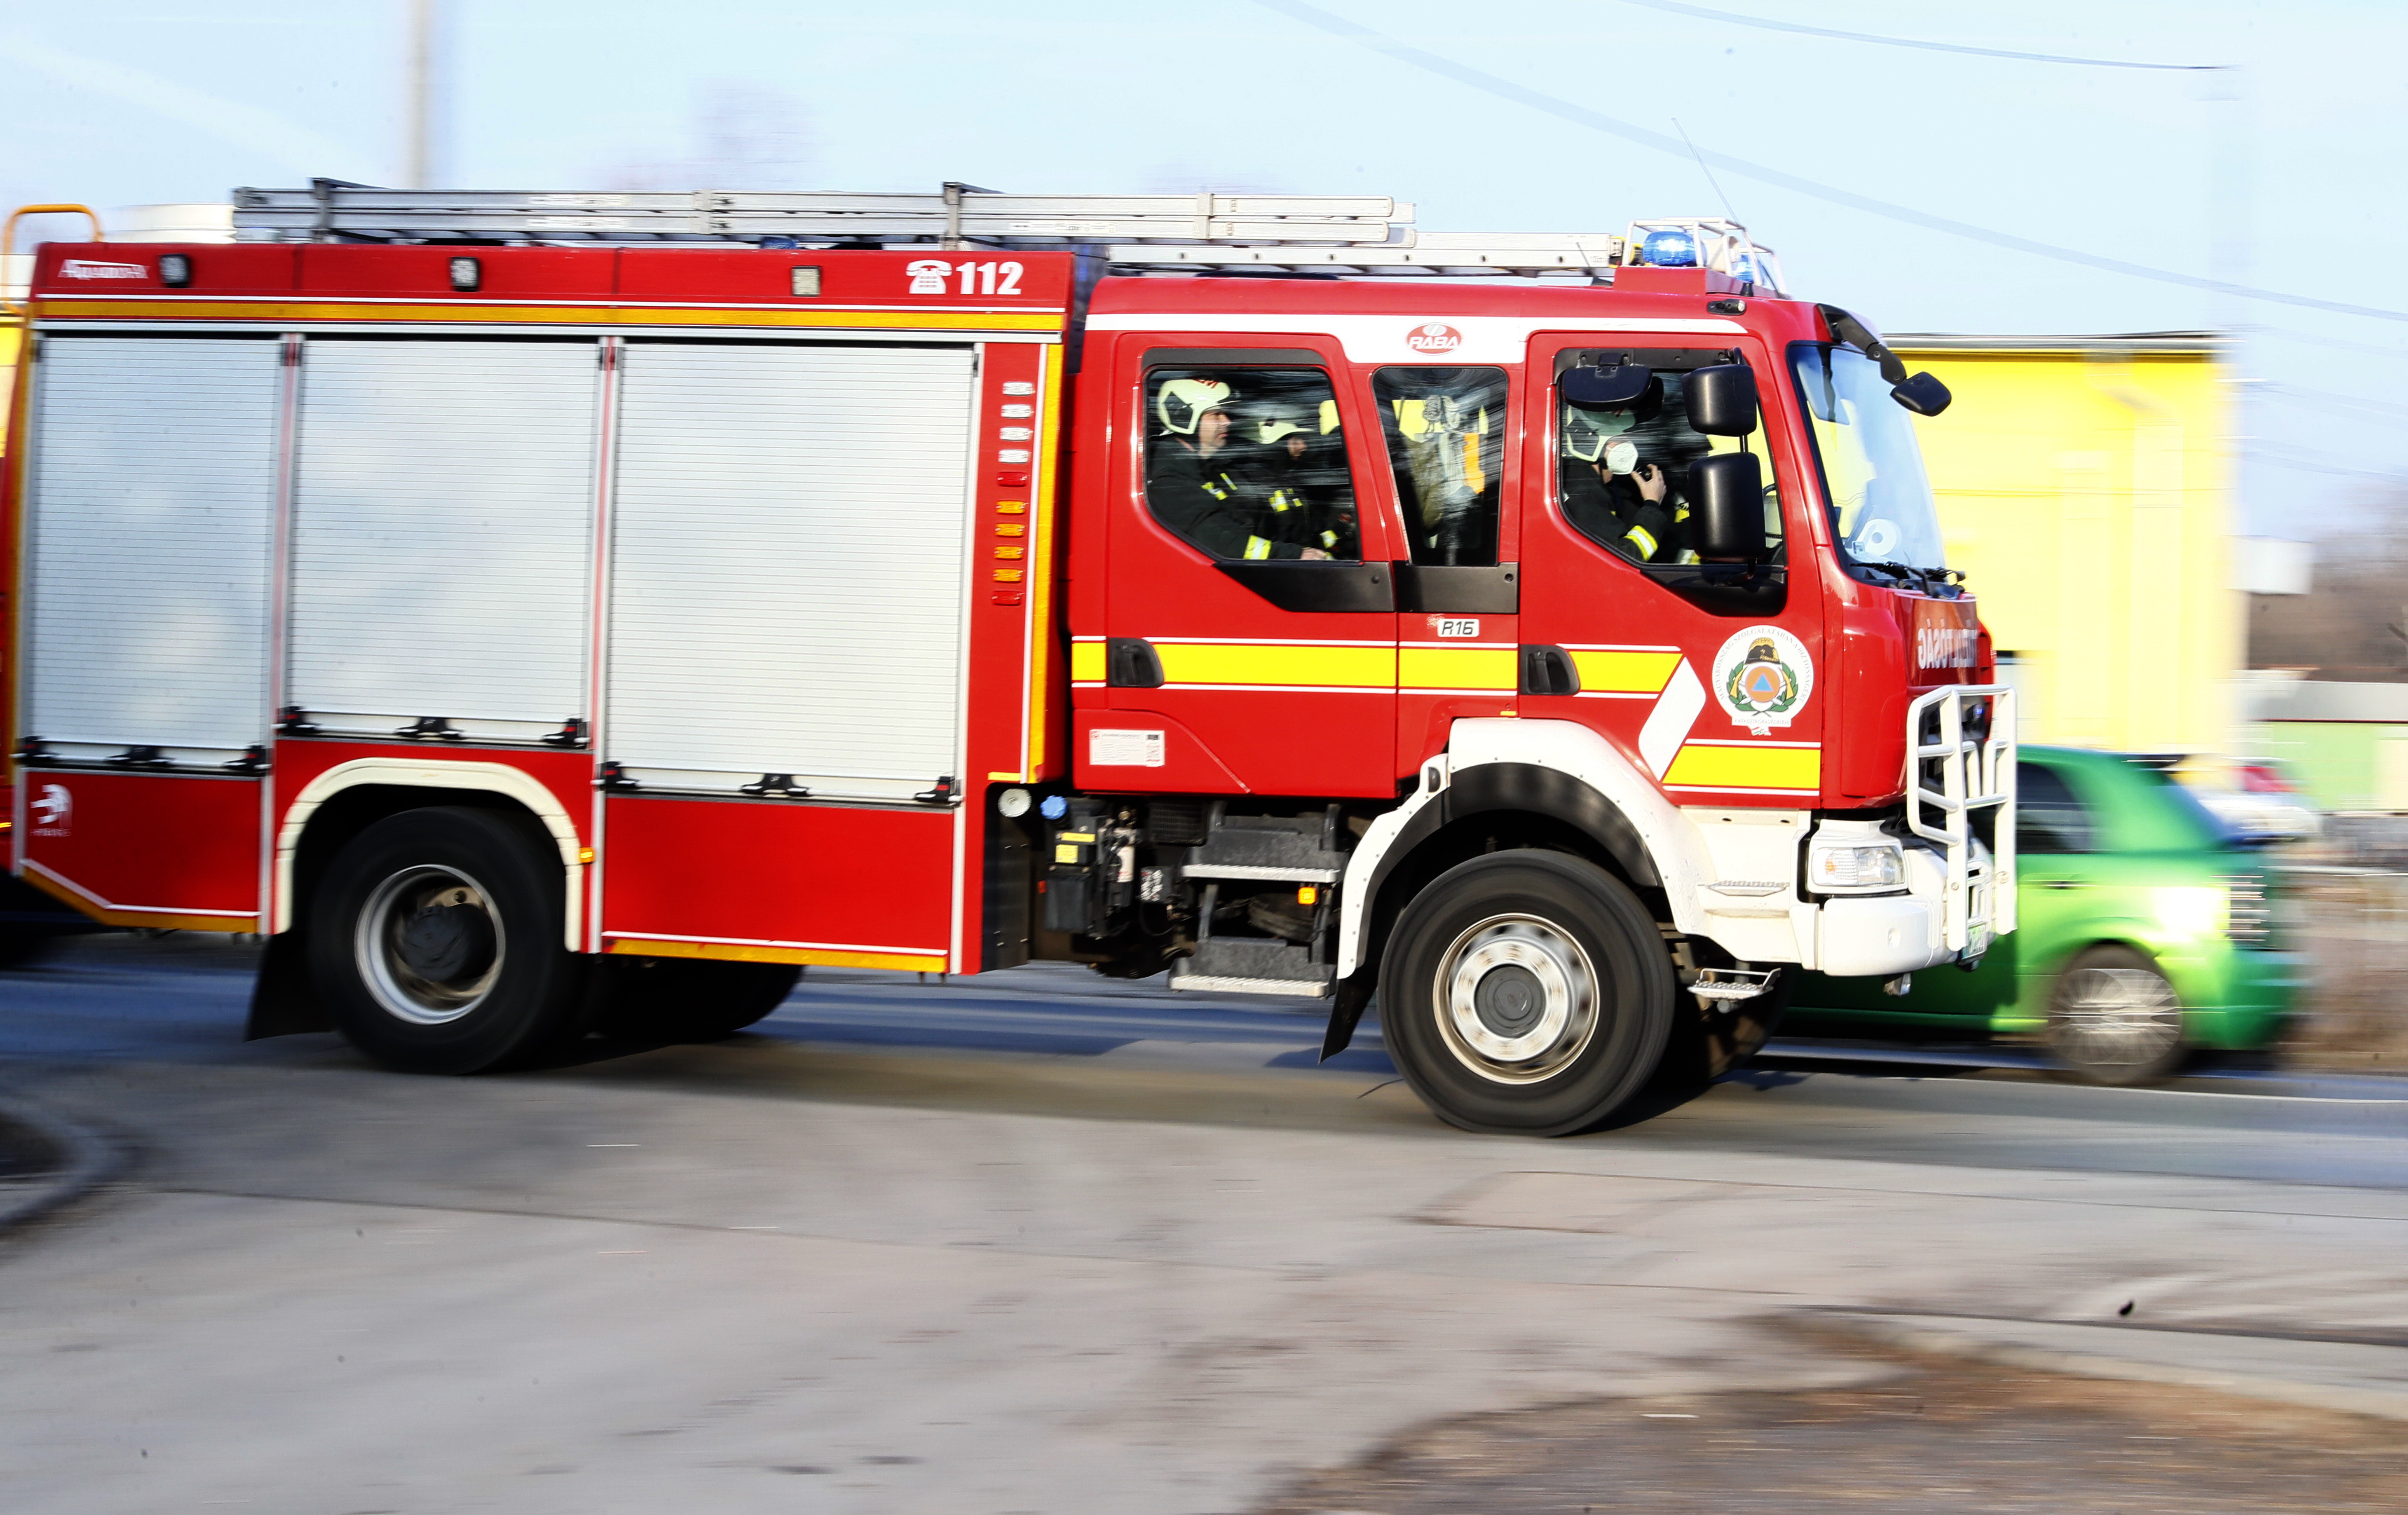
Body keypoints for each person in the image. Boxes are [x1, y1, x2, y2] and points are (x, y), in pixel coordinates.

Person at [1147, 378, 1331, 561]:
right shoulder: (1171, 481)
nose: (1227, 422)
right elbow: (1223, 542)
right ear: (1183, 418)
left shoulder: (1213, 468)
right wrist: (1294, 555)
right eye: (1216, 414)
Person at [1560, 401, 1683, 563]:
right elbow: (1625, 558)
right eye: (1622, 438)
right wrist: (1652, 504)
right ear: (1595, 441)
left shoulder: (1585, 482)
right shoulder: (1583, 494)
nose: (1630, 445)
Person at [1253, 403, 1356, 558]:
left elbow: (1312, 538)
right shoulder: (1255, 486)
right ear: (1276, 443)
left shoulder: (1291, 483)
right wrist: (1295, 556)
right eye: (1295, 441)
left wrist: (1342, 529)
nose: (1303, 446)